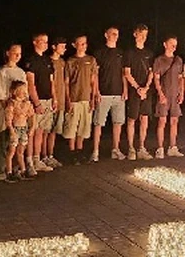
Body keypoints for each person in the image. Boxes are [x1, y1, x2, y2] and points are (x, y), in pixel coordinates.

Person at [63, 35, 98, 164]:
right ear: (74, 45)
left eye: (85, 43)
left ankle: (80, 151)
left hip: (86, 98)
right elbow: (66, 82)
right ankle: (72, 153)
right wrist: (68, 99)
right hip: (74, 98)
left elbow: (93, 80)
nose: (83, 46)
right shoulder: (70, 61)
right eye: (80, 43)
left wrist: (93, 97)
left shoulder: (91, 60)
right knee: (72, 126)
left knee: (84, 127)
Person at [93, 27, 127, 161]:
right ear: (106, 35)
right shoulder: (100, 52)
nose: (115, 36)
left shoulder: (120, 53)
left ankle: (115, 149)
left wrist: (125, 90)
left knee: (118, 122)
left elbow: (123, 73)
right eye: (112, 33)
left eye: (117, 34)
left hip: (118, 93)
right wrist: (96, 91)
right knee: (98, 123)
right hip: (104, 93)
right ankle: (95, 151)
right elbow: (95, 74)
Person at [22, 33, 55, 173]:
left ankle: (37, 159)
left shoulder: (47, 60)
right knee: (32, 131)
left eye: (47, 41)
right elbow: (30, 84)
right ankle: (29, 161)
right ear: (35, 42)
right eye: (42, 41)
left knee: (41, 130)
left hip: (48, 100)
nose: (45, 44)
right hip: (36, 101)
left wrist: (55, 98)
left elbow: (52, 81)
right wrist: (36, 103)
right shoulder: (31, 60)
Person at [0, 44, 27, 179]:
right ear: (8, 53)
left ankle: (17, 168)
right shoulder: (2, 71)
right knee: (6, 141)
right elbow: (1, 93)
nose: (17, 56)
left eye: (19, 53)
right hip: (8, 108)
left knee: (18, 144)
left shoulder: (21, 72)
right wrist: (10, 110)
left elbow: (25, 90)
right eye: (15, 53)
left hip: (19, 111)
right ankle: (2, 170)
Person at [124, 25, 155, 161]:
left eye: (145, 35)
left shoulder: (149, 53)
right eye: (141, 34)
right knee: (132, 119)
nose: (143, 37)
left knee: (145, 118)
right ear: (135, 34)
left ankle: (141, 147)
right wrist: (137, 88)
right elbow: (127, 73)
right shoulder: (129, 52)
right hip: (134, 91)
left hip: (145, 91)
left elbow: (151, 72)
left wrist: (146, 87)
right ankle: (131, 148)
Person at [153, 36, 185, 159]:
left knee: (174, 121)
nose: (174, 46)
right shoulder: (159, 60)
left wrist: (181, 93)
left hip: (175, 94)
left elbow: (180, 77)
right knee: (162, 121)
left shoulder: (178, 60)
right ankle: (160, 148)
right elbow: (156, 79)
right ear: (165, 44)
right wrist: (160, 94)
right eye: (171, 43)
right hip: (164, 93)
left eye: (175, 44)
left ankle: (173, 147)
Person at [4, 80, 34, 182]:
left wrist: (32, 128)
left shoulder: (27, 104)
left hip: (23, 128)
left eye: (25, 90)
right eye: (21, 90)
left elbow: (32, 116)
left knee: (21, 151)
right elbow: (8, 119)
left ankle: (23, 170)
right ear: (15, 91)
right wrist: (11, 130)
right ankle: (9, 172)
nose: (24, 92)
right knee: (11, 151)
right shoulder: (12, 104)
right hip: (16, 128)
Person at [45, 37, 67, 167]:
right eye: (61, 46)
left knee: (54, 130)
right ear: (54, 47)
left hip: (61, 100)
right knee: (45, 130)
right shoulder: (48, 62)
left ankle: (50, 155)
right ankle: (42, 156)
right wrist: (54, 98)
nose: (64, 48)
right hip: (51, 100)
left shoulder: (63, 62)